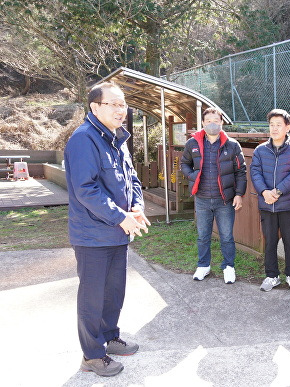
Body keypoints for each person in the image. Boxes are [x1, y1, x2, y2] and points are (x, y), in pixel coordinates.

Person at [65, 82, 150, 377]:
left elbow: (133, 180)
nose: (120, 109)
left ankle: (109, 337)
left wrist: (136, 206)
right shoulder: (83, 139)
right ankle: (91, 354)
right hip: (92, 236)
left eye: (123, 104)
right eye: (113, 104)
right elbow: (84, 189)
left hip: (117, 232)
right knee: (92, 296)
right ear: (95, 107)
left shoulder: (117, 139)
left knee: (114, 292)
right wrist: (119, 217)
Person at [180, 107, 247, 284]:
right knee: (203, 235)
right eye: (208, 121)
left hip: (224, 200)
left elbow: (241, 171)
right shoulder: (192, 144)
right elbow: (184, 165)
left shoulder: (232, 145)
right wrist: (194, 176)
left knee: (226, 236)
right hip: (201, 199)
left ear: (221, 122)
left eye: (216, 121)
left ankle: (229, 267)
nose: (212, 124)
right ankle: (203, 265)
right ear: (202, 123)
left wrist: (239, 194)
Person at [250, 109, 290, 292]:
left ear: (287, 127)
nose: (274, 129)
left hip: (289, 204)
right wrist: (265, 192)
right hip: (267, 204)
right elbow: (255, 172)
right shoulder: (260, 150)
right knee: (270, 241)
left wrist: (278, 191)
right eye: (271, 125)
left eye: (279, 125)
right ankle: (271, 276)